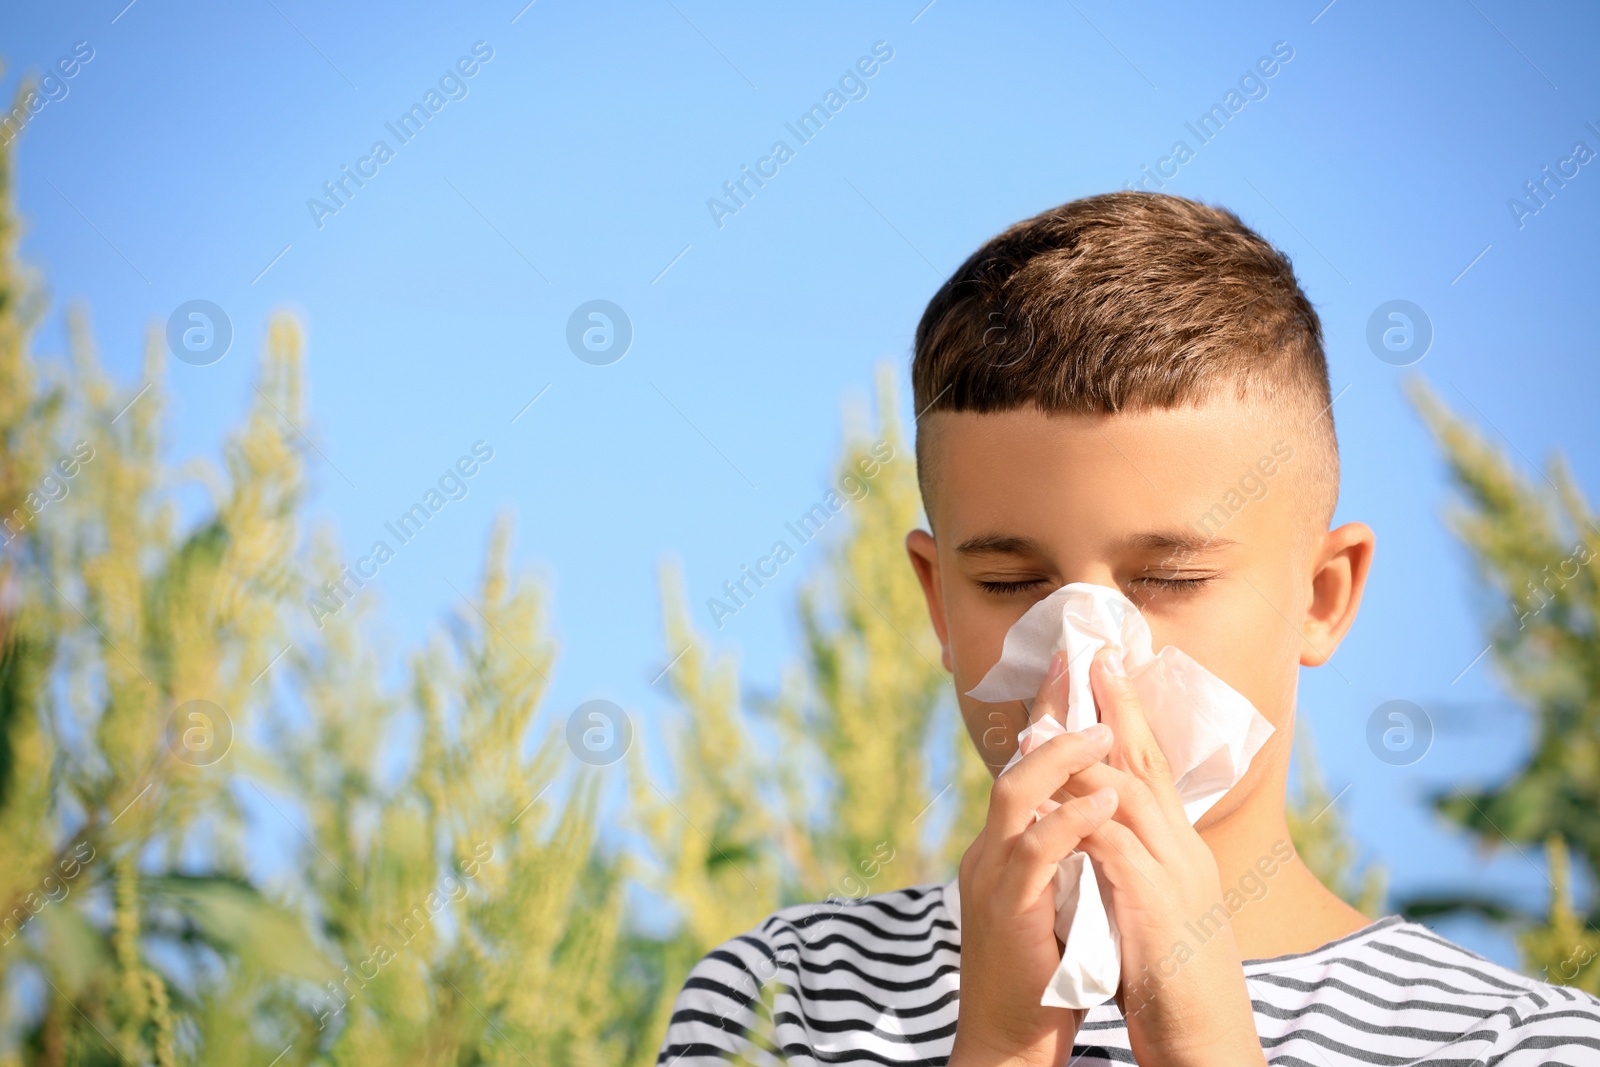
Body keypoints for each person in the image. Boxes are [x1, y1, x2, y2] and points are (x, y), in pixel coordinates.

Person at [653, 192, 1600, 1065]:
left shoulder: (1518, 1042)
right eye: (1011, 580)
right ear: (939, 603)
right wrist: (1003, 1041)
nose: (1086, 649)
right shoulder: (791, 1000)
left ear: (1321, 596)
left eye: (1169, 578)